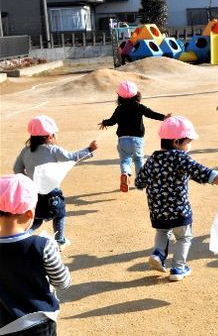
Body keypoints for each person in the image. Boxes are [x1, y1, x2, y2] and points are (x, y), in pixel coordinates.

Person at [135, 116, 218, 281]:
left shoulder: (152, 159)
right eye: (188, 142)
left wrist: (143, 183)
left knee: (162, 231)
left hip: (157, 211)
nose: (189, 146)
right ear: (176, 142)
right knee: (184, 238)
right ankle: (178, 268)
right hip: (179, 211)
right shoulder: (180, 157)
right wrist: (214, 177)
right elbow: (198, 170)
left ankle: (158, 253)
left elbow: (139, 181)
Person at [0, 174, 71, 335]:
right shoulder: (42, 245)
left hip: (5, 325)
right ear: (30, 214)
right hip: (39, 320)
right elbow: (62, 282)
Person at [13, 115, 97, 250]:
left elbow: (17, 168)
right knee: (60, 214)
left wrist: (28, 182)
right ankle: (60, 240)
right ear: (49, 136)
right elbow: (72, 158)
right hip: (52, 192)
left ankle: (21, 236)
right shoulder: (53, 150)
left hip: (34, 193)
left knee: (37, 219)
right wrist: (89, 150)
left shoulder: (26, 151)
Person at [99, 81, 171, 192]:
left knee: (125, 160)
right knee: (138, 160)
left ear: (120, 97)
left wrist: (104, 122)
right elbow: (151, 114)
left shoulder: (119, 109)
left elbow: (112, 121)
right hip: (137, 140)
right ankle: (141, 181)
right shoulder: (139, 107)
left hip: (123, 140)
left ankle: (125, 173)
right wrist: (163, 117)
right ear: (137, 95)